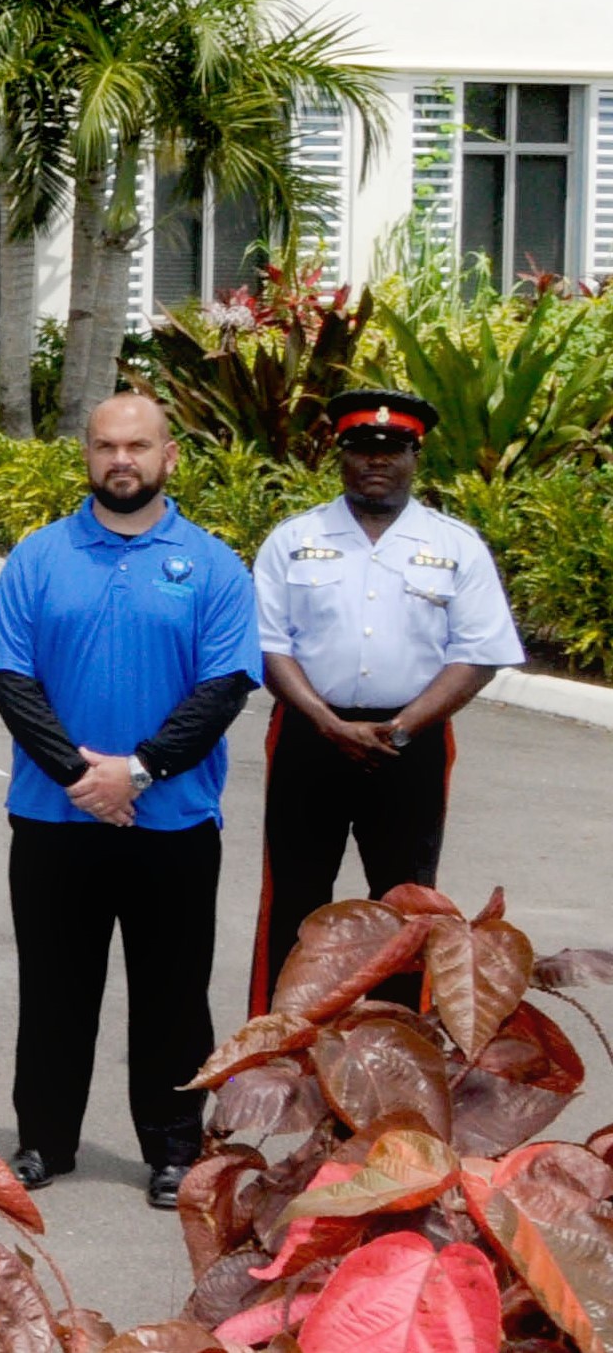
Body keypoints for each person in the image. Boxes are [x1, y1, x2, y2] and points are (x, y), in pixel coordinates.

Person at [0, 392, 258, 1210]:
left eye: (138, 445)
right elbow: (11, 679)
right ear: (88, 454)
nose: (121, 459)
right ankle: (44, 1140)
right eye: (105, 445)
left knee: (173, 993)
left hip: (172, 821)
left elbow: (225, 686)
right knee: (55, 987)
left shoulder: (212, 564)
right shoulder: (38, 557)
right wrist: (80, 775)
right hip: (54, 817)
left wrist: (135, 771)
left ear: (170, 456)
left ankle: (174, 1148)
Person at [247, 390, 520, 1008]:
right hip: (307, 735)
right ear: (339, 456)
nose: (377, 461)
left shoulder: (456, 547)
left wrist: (402, 727)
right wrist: (322, 719)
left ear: (414, 458)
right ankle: (270, 1062)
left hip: (412, 743)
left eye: (392, 449)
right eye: (363, 449)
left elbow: (479, 653)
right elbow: (267, 643)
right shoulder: (293, 541)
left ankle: (397, 1060)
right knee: (293, 898)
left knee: (407, 905)